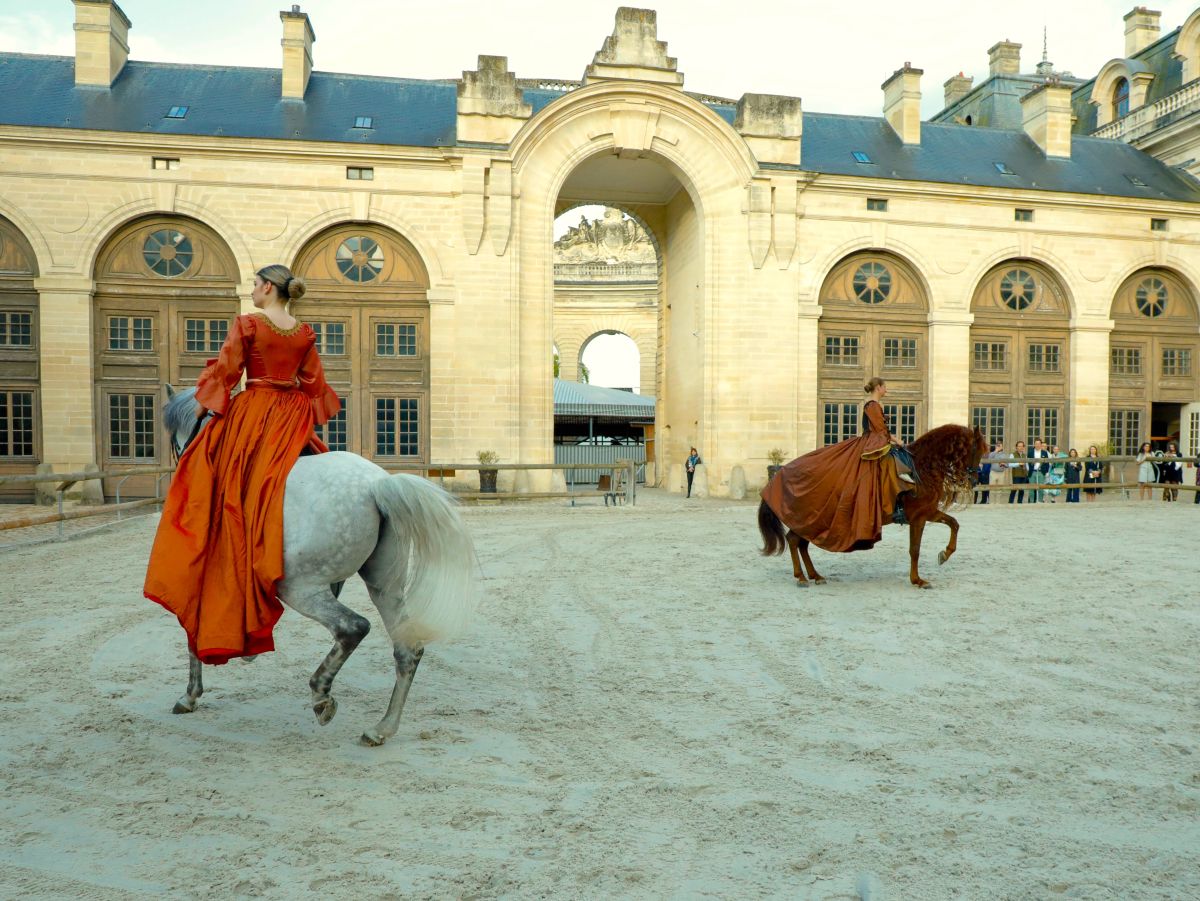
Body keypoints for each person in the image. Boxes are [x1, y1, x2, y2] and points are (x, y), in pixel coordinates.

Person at [144, 265, 341, 665]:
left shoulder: (248, 324)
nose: (251, 291)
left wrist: (204, 405)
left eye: (254, 284)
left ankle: (224, 552)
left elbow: (228, 372)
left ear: (268, 287)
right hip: (291, 416)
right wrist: (299, 409)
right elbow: (314, 384)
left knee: (210, 475)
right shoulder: (304, 332)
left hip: (255, 411)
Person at [760, 377, 914, 554]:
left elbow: (880, 431)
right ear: (878, 388)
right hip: (871, 444)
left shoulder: (873, 404)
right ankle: (894, 508)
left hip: (871, 443)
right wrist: (898, 442)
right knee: (885, 468)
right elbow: (880, 431)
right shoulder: (872, 405)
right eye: (885, 386)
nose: (886, 389)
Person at [1028, 438, 1050, 503]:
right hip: (1032, 472)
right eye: (1036, 444)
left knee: (1041, 488)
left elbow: (1047, 463)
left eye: (1039, 444)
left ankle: (1040, 501)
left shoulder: (1044, 452)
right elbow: (1027, 462)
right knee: (1031, 488)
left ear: (1041, 445)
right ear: (1034, 444)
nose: (1037, 445)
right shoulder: (1030, 452)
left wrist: (1046, 472)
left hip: (1041, 472)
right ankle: (1031, 501)